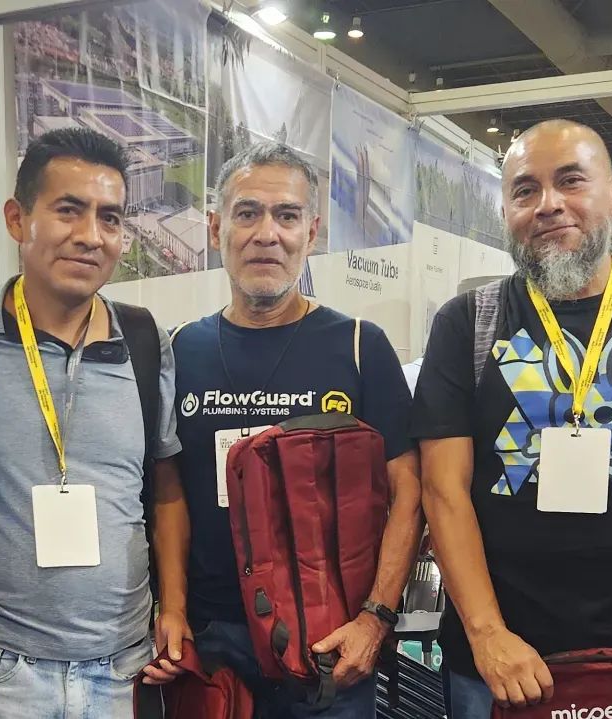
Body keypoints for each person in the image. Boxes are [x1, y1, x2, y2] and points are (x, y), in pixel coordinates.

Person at [412, 119, 612, 718]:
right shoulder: (466, 324)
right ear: (506, 210)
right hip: (502, 668)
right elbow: (442, 490)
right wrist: (486, 634)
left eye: (570, 181)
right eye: (525, 190)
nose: (548, 204)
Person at [163, 141, 423, 717]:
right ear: (215, 228)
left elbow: (409, 491)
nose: (267, 234)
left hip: (328, 644)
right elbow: (169, 492)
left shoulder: (360, 347)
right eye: (247, 213)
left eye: (287, 215)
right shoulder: (181, 349)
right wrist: (173, 610)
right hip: (213, 644)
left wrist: (376, 618)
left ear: (312, 231)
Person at [0, 127, 182, 719]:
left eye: (110, 218)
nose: (90, 236)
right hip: (1, 668)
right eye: (68, 210)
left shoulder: (145, 340)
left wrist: (175, 608)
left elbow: (164, 489)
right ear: (17, 219)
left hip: (125, 666)